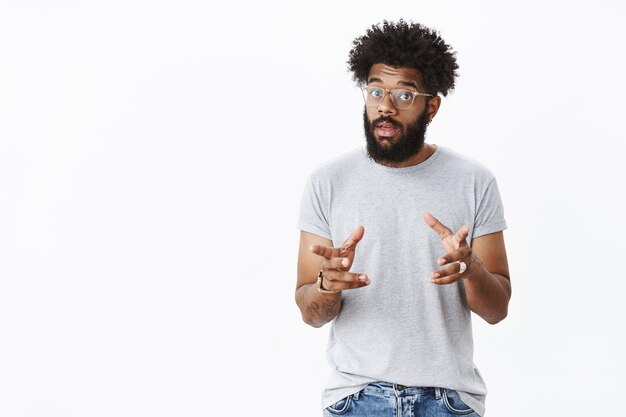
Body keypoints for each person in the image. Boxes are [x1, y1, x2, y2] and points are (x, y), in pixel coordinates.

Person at [295, 20, 511, 417]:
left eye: (404, 94)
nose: (385, 106)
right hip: (356, 399)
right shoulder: (328, 182)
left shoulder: (475, 181)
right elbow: (310, 312)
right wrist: (327, 285)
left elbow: (497, 310)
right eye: (376, 90)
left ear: (432, 105)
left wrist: (472, 269)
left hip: (449, 401)